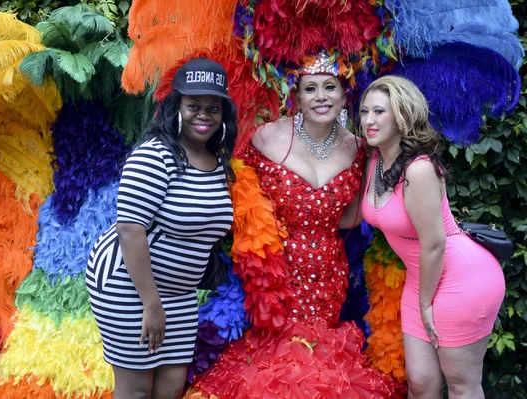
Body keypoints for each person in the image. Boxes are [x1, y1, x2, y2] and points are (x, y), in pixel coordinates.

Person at [186, 51, 405, 398]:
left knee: (319, 365)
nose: (321, 97)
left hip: (328, 277)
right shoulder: (266, 137)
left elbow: (351, 217)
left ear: (344, 94)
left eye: (330, 87)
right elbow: (234, 190)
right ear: (297, 96)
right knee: (272, 365)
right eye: (310, 88)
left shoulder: (359, 148)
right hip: (275, 279)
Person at [85, 58, 237, 399]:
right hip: (128, 285)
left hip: (180, 294)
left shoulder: (217, 162)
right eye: (194, 106)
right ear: (176, 106)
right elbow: (129, 229)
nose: (204, 115)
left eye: (213, 108)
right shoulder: (156, 155)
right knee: (137, 389)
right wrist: (151, 305)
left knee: (171, 388)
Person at [359, 75, 506, 399]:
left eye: (379, 112)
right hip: (421, 279)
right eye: (365, 111)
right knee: (421, 383)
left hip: (461, 279)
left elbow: (435, 243)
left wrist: (426, 302)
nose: (369, 120)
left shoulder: (419, 169)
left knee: (461, 385)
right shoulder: (376, 159)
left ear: (402, 115)